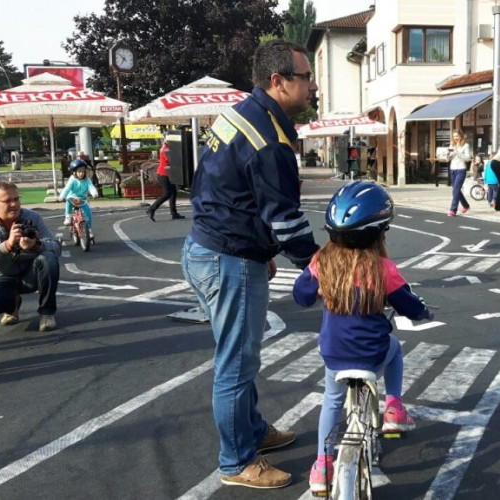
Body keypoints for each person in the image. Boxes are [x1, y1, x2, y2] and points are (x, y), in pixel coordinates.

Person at [180, 39, 320, 490]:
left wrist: (259, 252)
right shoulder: (270, 140)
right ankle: (236, 461)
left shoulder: (240, 114)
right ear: (278, 81)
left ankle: (254, 431)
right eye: (306, 78)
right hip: (228, 259)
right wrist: (318, 266)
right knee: (236, 364)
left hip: (210, 248)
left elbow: (215, 186)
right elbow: (285, 218)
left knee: (239, 355)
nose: (313, 86)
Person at [291, 181, 433, 494]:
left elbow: (300, 296)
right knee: (395, 349)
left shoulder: (321, 263)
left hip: (334, 354)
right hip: (373, 353)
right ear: (379, 233)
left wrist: (318, 289)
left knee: (332, 400)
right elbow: (409, 306)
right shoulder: (384, 269)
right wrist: (424, 312)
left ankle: (321, 466)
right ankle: (394, 407)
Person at [0, 181, 61, 332]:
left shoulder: (33, 217)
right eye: (7, 201)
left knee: (48, 258)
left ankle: (47, 313)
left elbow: (56, 246)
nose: (14, 204)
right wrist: (8, 245)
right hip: (2, 276)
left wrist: (36, 245)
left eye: (16, 199)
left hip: (31, 274)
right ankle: (11, 305)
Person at [146, 137, 184, 221]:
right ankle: (151, 209)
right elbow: (171, 160)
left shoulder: (165, 148)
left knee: (173, 193)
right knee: (167, 194)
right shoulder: (166, 150)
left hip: (167, 173)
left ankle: (174, 213)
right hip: (164, 174)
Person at [58, 159, 99, 237]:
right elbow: (67, 189)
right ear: (74, 172)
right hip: (72, 198)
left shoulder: (87, 179)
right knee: (68, 202)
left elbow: (91, 187)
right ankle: (68, 216)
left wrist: (94, 194)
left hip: (82, 200)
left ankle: (89, 229)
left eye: (83, 171)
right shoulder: (72, 179)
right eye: (79, 171)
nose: (81, 173)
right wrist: (62, 197)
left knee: (88, 213)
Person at [447, 129, 471, 216]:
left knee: (456, 190)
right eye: (454, 136)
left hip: (461, 169)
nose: (455, 138)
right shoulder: (452, 145)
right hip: (452, 169)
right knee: (455, 190)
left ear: (461, 136)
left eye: (457, 136)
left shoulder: (465, 145)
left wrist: (458, 153)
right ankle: (465, 205)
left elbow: (468, 158)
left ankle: (453, 210)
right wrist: (447, 155)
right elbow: (449, 158)